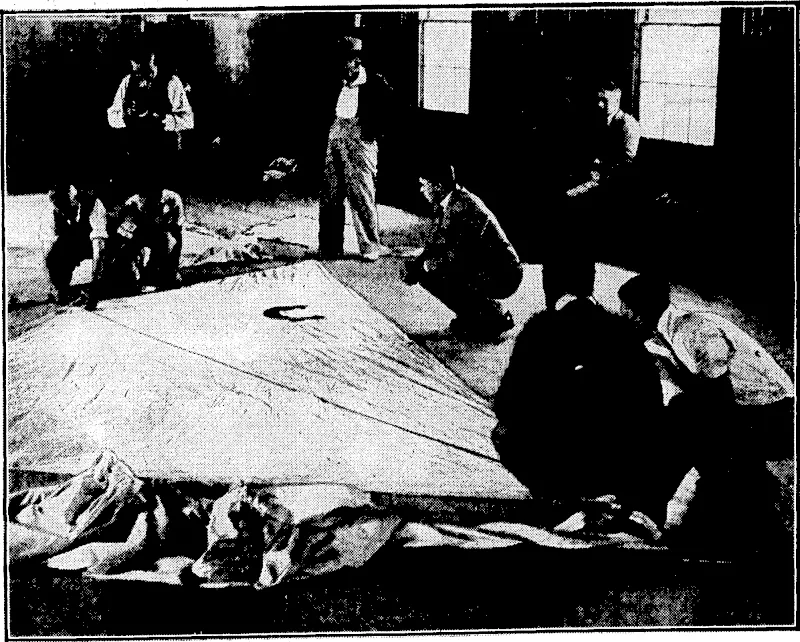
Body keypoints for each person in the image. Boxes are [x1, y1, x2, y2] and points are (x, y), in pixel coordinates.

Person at [492, 262, 680, 540]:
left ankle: (559, 497)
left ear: (551, 290)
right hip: (626, 464)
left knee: (504, 433)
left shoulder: (541, 328)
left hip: (566, 458)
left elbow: (506, 404)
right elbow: (651, 406)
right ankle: (621, 503)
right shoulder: (625, 329)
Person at [402, 162, 523, 342]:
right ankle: (480, 317)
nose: (421, 190)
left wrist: (425, 266)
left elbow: (459, 255)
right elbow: (438, 242)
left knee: (436, 273)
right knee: (429, 271)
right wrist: (417, 264)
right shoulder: (451, 201)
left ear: (438, 186)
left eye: (424, 184)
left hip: (503, 273)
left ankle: (494, 318)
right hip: (487, 266)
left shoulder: (463, 207)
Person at [319, 36, 394, 262]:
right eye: (340, 61)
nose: (343, 66)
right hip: (335, 139)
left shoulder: (375, 84)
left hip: (361, 142)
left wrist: (371, 133)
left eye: (347, 61)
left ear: (357, 61)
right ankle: (330, 247)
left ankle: (370, 245)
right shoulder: (334, 82)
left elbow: (391, 114)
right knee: (330, 194)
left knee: (361, 194)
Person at [107, 45, 194, 195]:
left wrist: (165, 119)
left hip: (163, 155)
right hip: (134, 154)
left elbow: (188, 120)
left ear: (152, 61)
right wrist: (124, 115)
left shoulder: (171, 82)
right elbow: (111, 116)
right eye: (137, 72)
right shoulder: (128, 82)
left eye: (145, 72)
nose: (141, 79)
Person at [566, 78, 640, 199]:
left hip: (616, 181)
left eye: (605, 100)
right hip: (595, 175)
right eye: (599, 100)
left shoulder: (628, 124)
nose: (600, 104)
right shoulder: (598, 121)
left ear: (617, 100)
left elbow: (627, 162)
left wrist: (601, 166)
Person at [42, 183, 111, 311]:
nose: (59, 208)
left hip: (106, 243)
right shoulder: (52, 211)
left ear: (73, 197)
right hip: (76, 242)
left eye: (63, 203)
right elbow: (48, 253)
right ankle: (64, 288)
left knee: (117, 279)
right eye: (56, 204)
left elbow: (99, 247)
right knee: (55, 255)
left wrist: (94, 291)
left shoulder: (93, 204)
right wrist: (57, 287)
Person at [118, 186, 185, 292]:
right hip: (142, 235)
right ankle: (135, 275)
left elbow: (178, 225)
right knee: (125, 249)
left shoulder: (172, 198)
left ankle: (167, 271)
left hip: (164, 233)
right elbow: (123, 230)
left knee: (171, 242)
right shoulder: (133, 202)